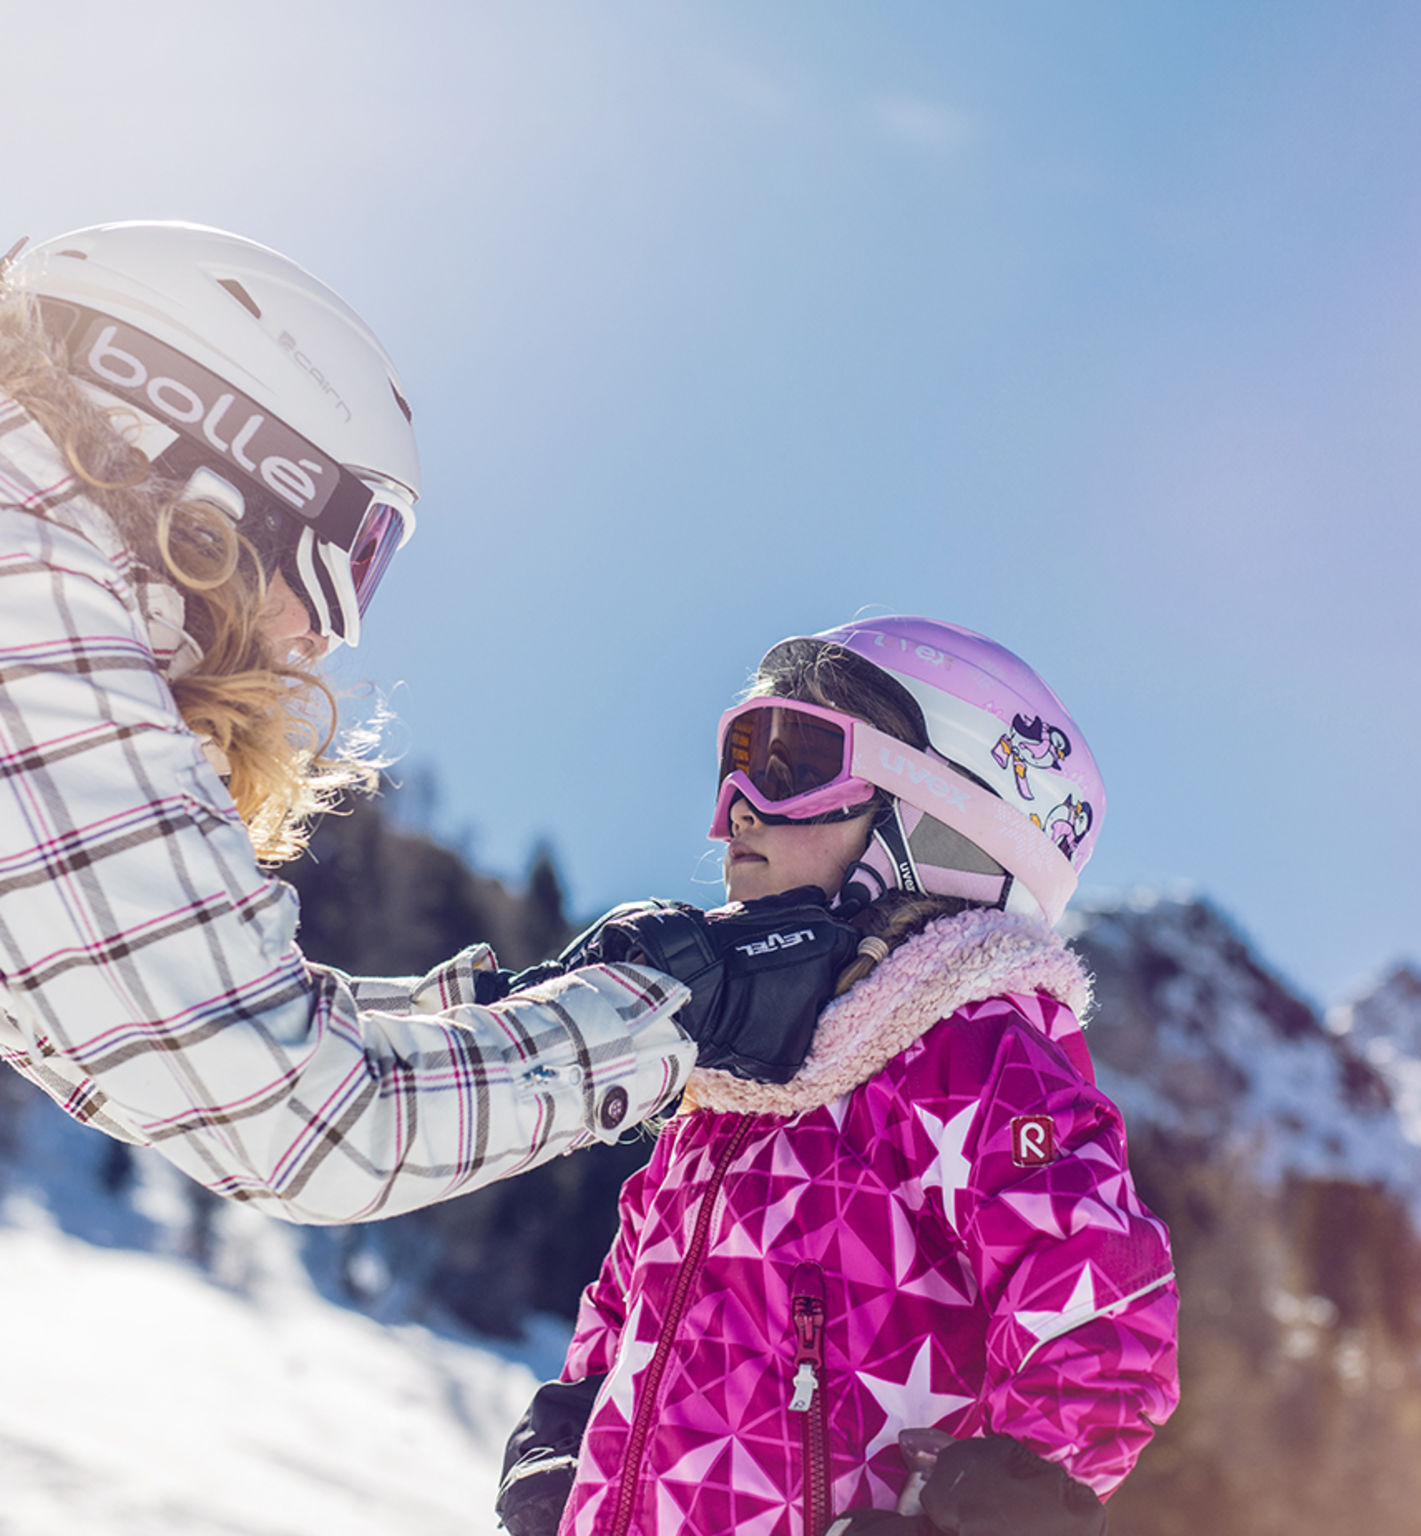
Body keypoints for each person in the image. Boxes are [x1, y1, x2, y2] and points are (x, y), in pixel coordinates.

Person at [0, 220, 850, 1225]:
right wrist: (677, 1014)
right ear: (213, 461)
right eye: (350, 554)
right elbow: (312, 1118)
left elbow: (183, 1014)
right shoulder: (34, 593)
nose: (327, 634)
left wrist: (533, 1001)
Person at [496, 617, 1180, 1536]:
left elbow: (1103, 1310)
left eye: (794, 763)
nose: (736, 808)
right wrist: (570, 1429)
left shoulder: (968, 1054)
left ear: (941, 820)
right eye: (737, 762)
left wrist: (993, 1514)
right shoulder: (741, 1075)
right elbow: (634, 1290)